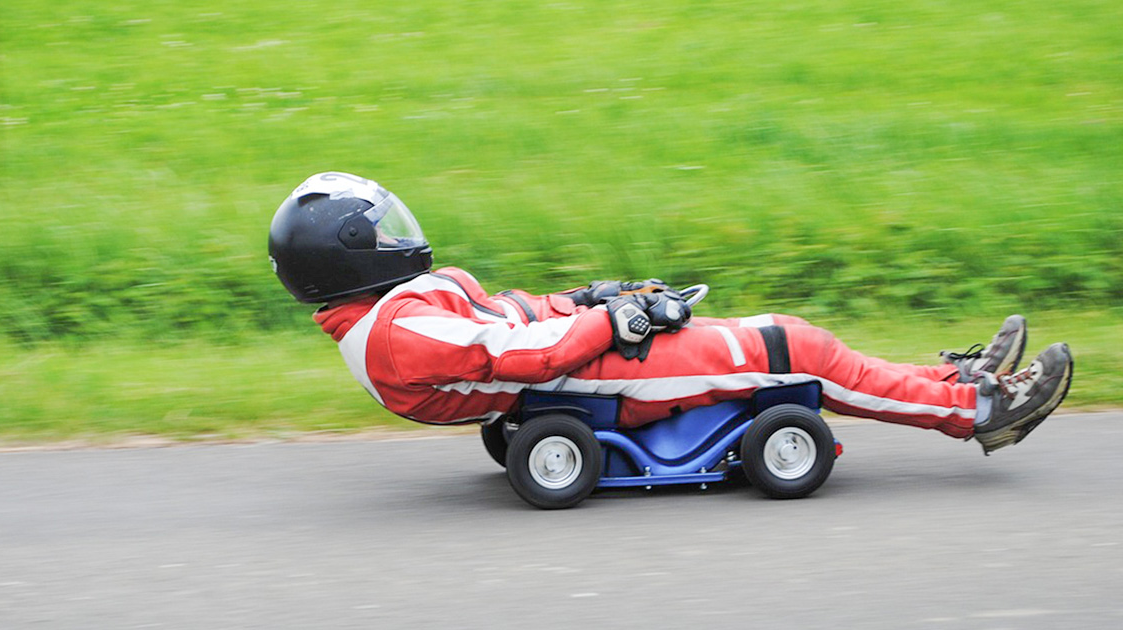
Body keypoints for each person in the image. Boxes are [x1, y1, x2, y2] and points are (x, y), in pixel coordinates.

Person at [268, 172, 1073, 454]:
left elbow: (511, 316)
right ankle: (976, 410)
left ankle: (945, 380)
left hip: (585, 358)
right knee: (797, 348)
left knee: (791, 342)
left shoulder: (396, 313)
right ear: (351, 258)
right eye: (382, 233)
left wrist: (592, 299)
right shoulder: (403, 335)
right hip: (587, 381)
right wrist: (617, 325)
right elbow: (522, 358)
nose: (401, 237)